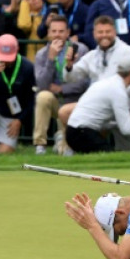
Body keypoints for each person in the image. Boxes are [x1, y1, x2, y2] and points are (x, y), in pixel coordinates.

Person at [66, 50, 130, 153]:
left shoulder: (111, 83)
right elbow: (127, 129)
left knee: (107, 154)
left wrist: (116, 124)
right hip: (81, 133)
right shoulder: (118, 91)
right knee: (107, 158)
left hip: (76, 131)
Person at [33, 16, 89, 155]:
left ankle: (62, 140)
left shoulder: (80, 50)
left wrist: (62, 89)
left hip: (75, 101)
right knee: (42, 96)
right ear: (49, 33)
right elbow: (42, 84)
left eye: (61, 31)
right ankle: (40, 145)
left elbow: (85, 82)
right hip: (55, 101)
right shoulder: (42, 54)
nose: (57, 34)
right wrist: (51, 59)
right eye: (54, 31)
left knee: (66, 153)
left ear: (68, 32)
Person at [0, 34, 36, 154]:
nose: (6, 62)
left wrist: (20, 120)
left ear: (17, 50)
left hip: (11, 113)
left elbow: (32, 99)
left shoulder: (27, 67)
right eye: (3, 57)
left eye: (9, 58)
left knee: (5, 152)